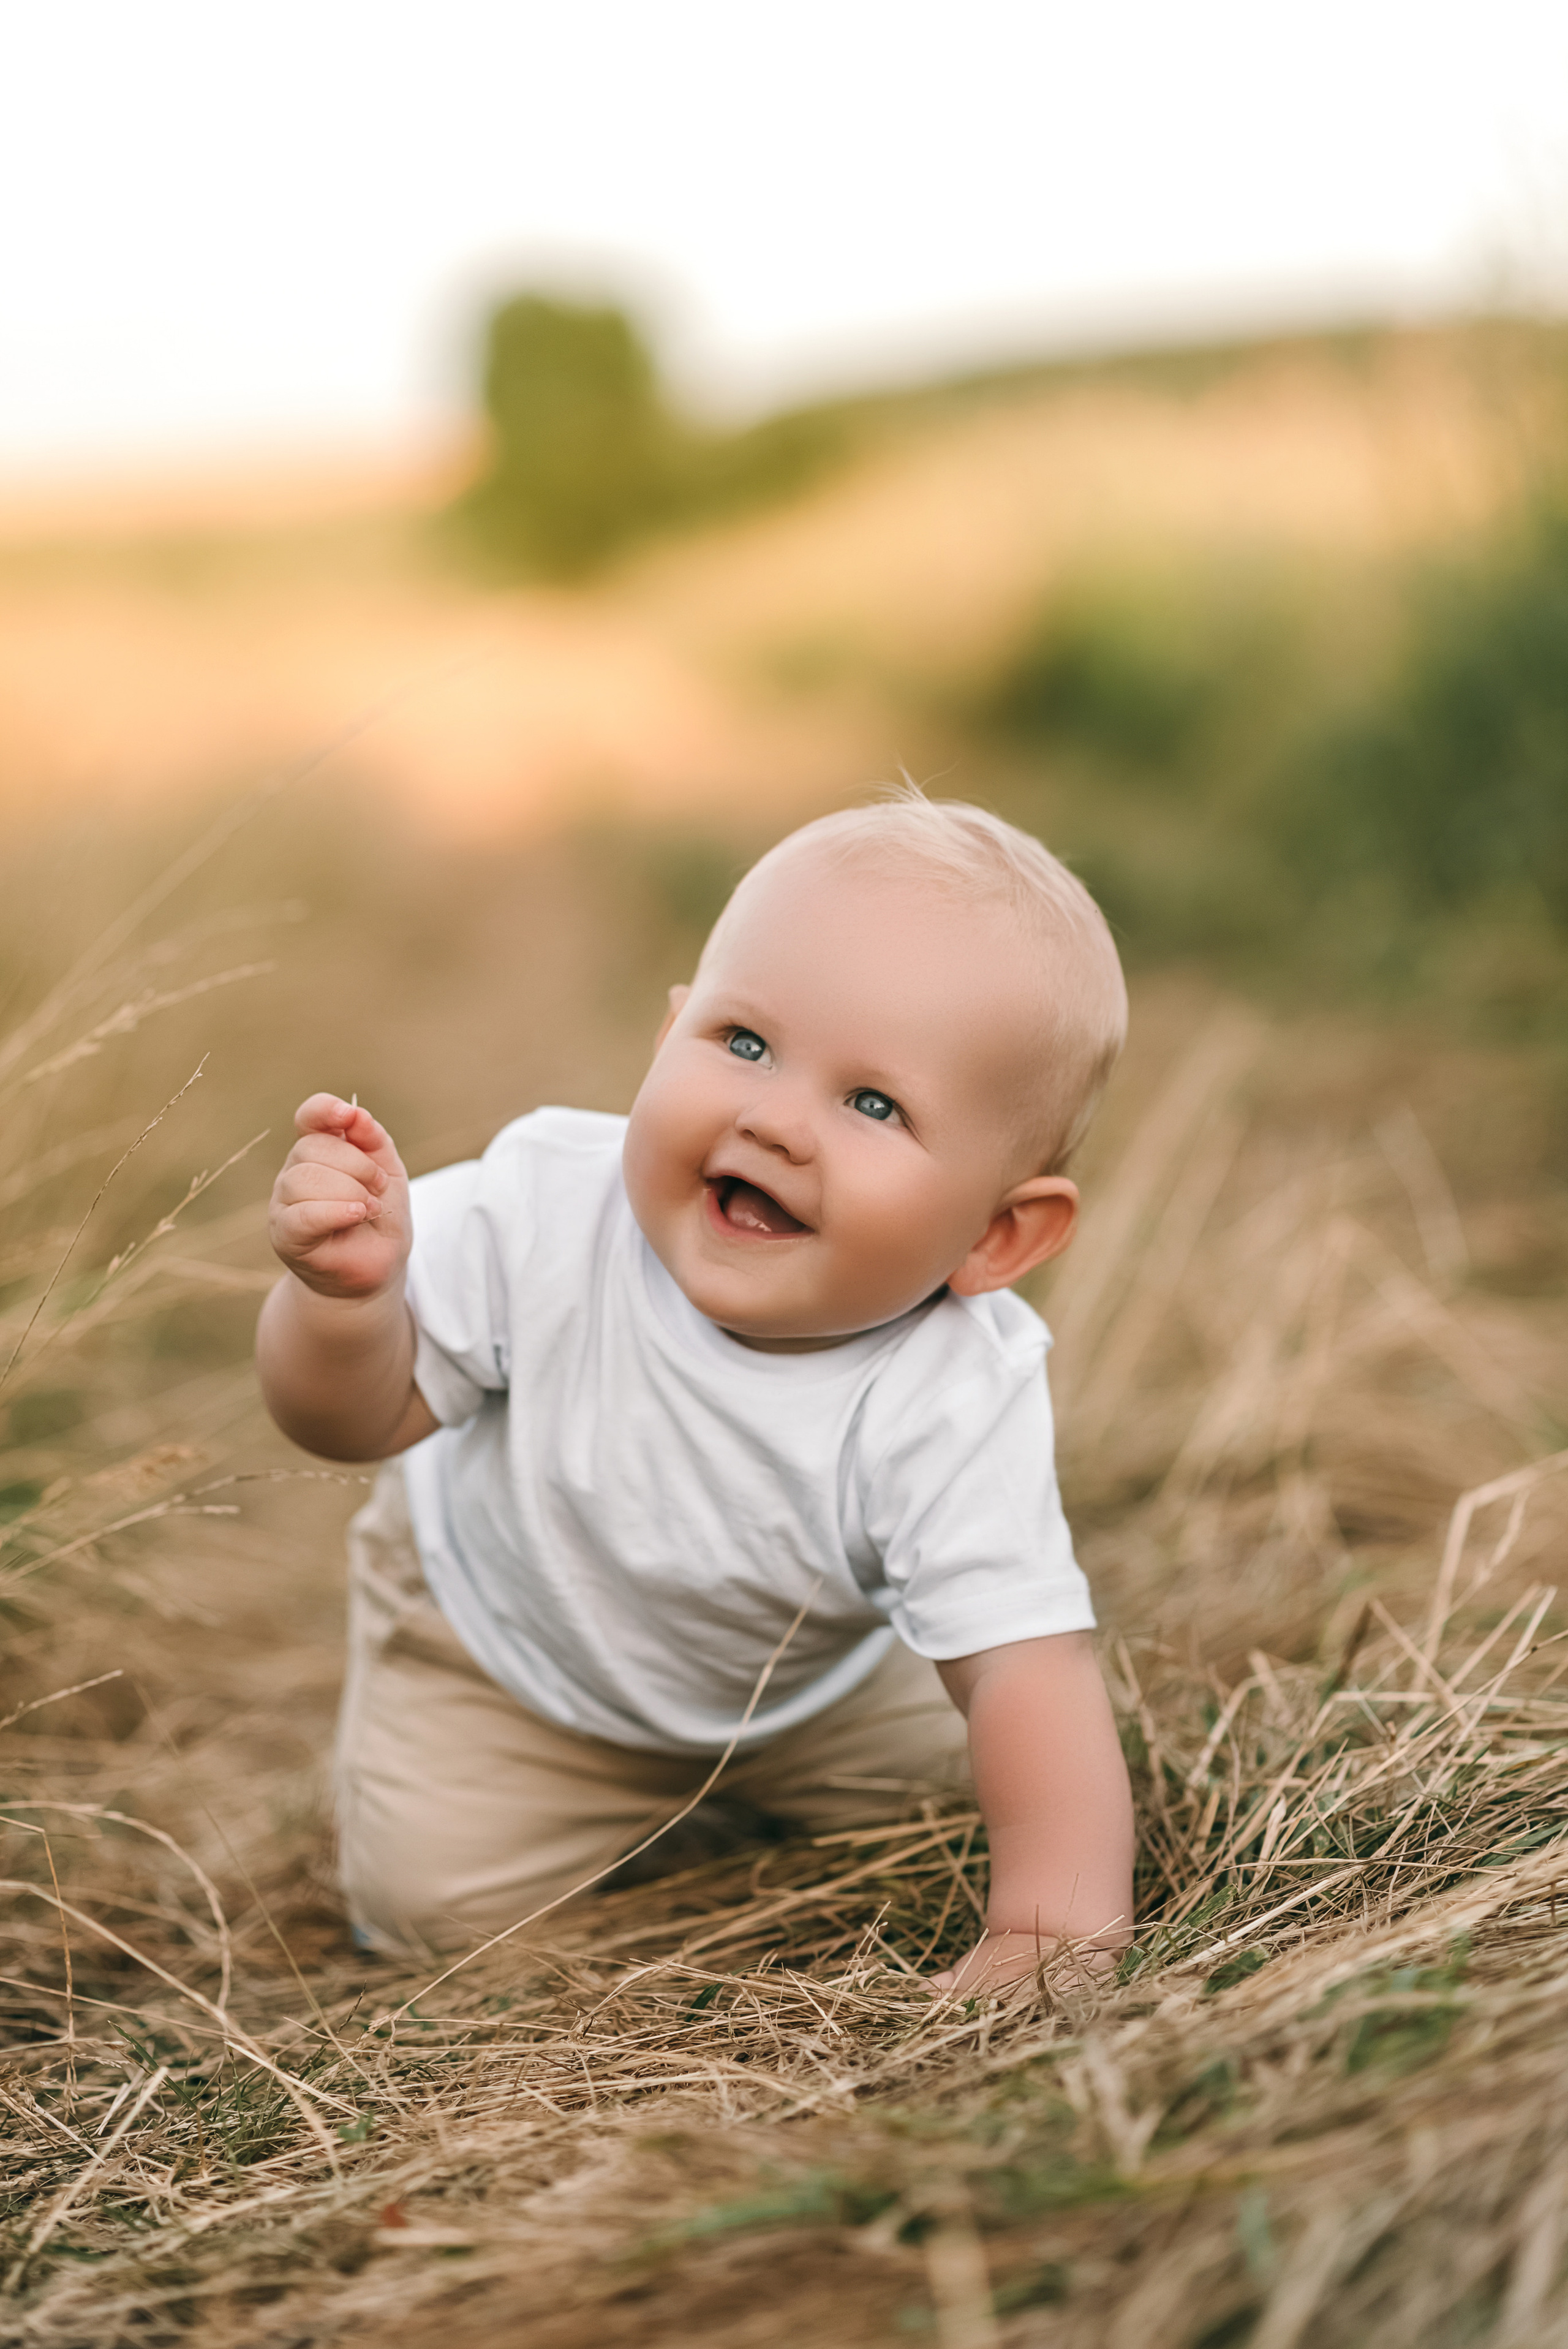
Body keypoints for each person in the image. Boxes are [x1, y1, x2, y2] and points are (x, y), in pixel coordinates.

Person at [256, 789, 1136, 1994]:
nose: (775, 1119)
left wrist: (1051, 1927)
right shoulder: (545, 1213)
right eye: (744, 1043)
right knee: (434, 1921)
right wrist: (349, 1303)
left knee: (988, 1785)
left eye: (872, 1103)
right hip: (507, 1664)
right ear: (666, 1038)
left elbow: (1023, 1666)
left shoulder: (951, 1390)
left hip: (802, 1695)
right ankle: (577, 1816)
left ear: (996, 1236)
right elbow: (343, 1420)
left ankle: (746, 1798)